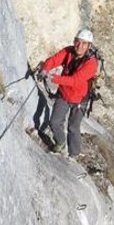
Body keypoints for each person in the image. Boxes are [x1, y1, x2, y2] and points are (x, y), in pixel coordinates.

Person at [37, 28, 99, 157]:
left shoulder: (91, 63)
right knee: (54, 122)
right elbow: (54, 60)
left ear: (89, 46)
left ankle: (74, 154)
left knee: (73, 128)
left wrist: (53, 78)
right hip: (64, 94)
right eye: (78, 42)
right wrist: (45, 68)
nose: (79, 46)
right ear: (74, 41)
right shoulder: (68, 51)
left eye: (84, 43)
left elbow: (75, 81)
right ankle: (60, 143)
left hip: (80, 99)